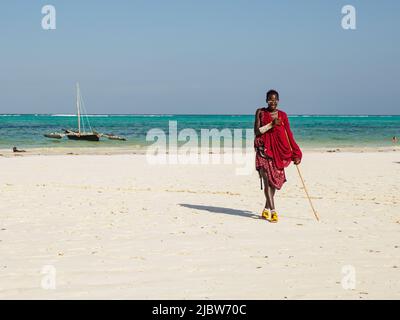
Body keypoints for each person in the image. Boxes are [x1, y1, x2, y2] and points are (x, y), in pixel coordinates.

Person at [254, 90, 302, 223]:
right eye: (270, 99)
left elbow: (289, 134)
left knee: (273, 183)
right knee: (266, 181)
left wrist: (296, 153)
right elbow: (257, 131)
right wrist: (271, 125)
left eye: (275, 100)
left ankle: (265, 209)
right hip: (262, 151)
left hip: (277, 153)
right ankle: (273, 212)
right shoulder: (260, 112)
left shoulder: (283, 115)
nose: (272, 102)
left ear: (278, 101)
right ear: (266, 100)